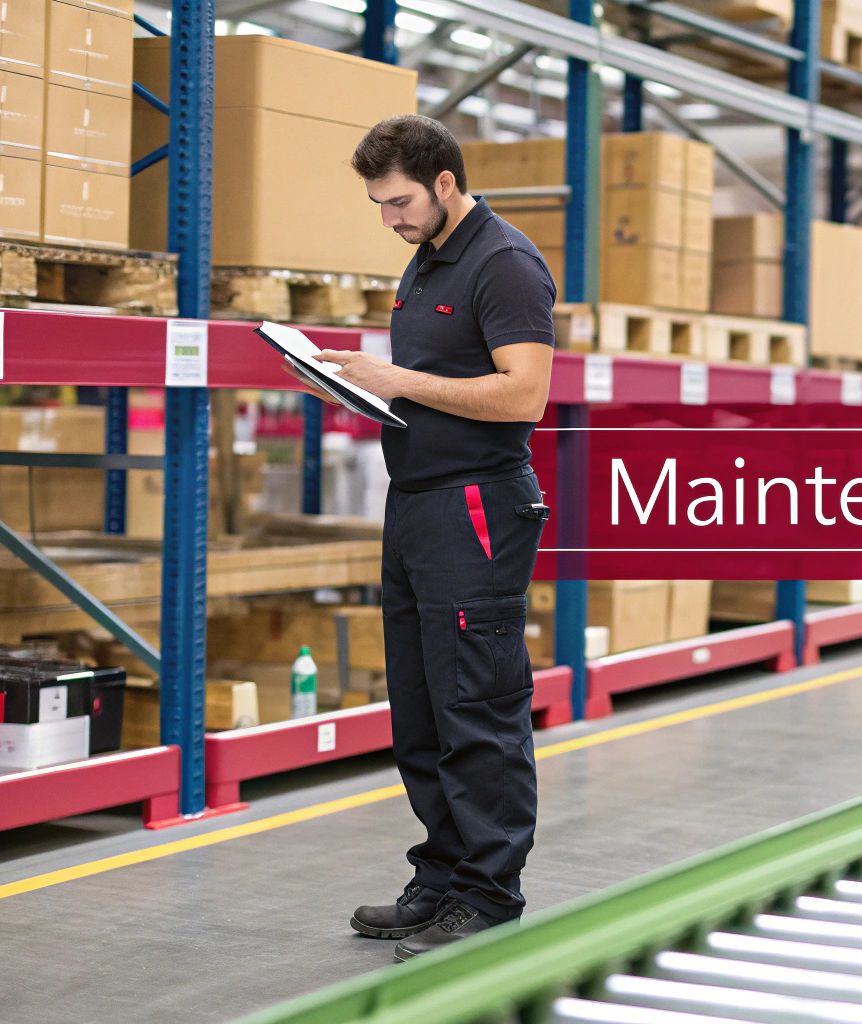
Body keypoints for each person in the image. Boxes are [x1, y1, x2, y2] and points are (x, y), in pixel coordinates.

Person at [286, 114, 556, 961]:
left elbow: (524, 397)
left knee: (475, 706)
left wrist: (395, 377)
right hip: (418, 505)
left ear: (445, 183)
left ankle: (488, 895)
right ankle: (440, 876)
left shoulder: (503, 262)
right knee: (421, 709)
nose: (389, 218)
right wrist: (360, 391)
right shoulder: (426, 259)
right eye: (378, 203)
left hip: (475, 507)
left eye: (398, 201)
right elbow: (435, 389)